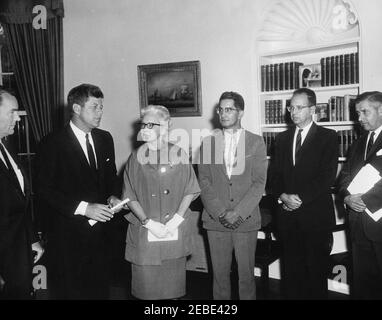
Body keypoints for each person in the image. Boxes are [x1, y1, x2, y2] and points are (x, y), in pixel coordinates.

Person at [35, 84, 122, 299]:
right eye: (95, 107)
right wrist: (84, 208)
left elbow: (111, 178)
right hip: (68, 238)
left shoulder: (105, 139)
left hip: (101, 237)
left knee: (100, 291)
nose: (100, 113)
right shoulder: (52, 143)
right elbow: (44, 190)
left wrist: (113, 196)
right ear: (76, 108)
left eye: (101, 107)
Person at [122, 105, 200, 300]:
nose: (144, 129)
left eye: (150, 124)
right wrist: (148, 222)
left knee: (172, 292)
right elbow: (129, 195)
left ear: (165, 125)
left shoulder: (179, 154)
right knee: (146, 292)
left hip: (173, 234)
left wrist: (176, 220)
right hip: (145, 235)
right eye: (143, 124)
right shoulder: (135, 158)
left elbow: (190, 190)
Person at [198, 91, 267, 300]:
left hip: (245, 220)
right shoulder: (208, 143)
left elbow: (259, 183)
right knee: (219, 276)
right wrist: (220, 212)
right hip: (215, 220)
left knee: (246, 277)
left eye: (229, 109)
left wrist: (238, 212)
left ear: (241, 112)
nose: (223, 113)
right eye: (221, 109)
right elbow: (204, 181)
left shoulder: (256, 142)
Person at [271, 88, 338, 299]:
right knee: (291, 273)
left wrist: (299, 199)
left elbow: (326, 177)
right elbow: (274, 176)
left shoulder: (328, 137)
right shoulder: (281, 139)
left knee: (316, 274)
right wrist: (283, 196)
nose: (294, 112)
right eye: (291, 107)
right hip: (287, 217)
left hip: (315, 217)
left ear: (312, 109)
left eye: (299, 107)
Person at [338, 91, 382, 299]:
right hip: (357, 224)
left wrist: (363, 200)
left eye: (365, 112)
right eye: (357, 113)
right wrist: (347, 197)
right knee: (363, 284)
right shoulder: (357, 143)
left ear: (381, 110)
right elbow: (344, 176)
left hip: (379, 222)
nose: (359, 118)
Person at [0, 89, 44, 299]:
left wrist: (32, 239)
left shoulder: (5, 145)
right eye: (13, 112)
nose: (18, 117)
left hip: (18, 251)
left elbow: (19, 201)